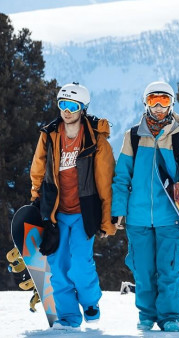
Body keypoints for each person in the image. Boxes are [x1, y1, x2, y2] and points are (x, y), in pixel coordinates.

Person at [111, 81, 179, 332]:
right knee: (142, 270)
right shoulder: (134, 136)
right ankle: (147, 315)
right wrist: (119, 210)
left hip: (170, 217)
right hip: (137, 217)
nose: (158, 107)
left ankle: (170, 316)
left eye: (163, 101)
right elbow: (122, 177)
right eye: (153, 101)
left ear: (171, 104)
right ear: (145, 103)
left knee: (169, 269)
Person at [30, 82, 116, 329]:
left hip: (83, 211)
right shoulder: (49, 134)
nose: (66, 111)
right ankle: (68, 317)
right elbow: (38, 169)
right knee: (58, 266)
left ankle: (90, 302)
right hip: (56, 211)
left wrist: (107, 219)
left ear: (83, 108)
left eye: (72, 106)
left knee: (80, 263)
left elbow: (105, 180)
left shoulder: (95, 139)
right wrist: (37, 200)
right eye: (62, 105)